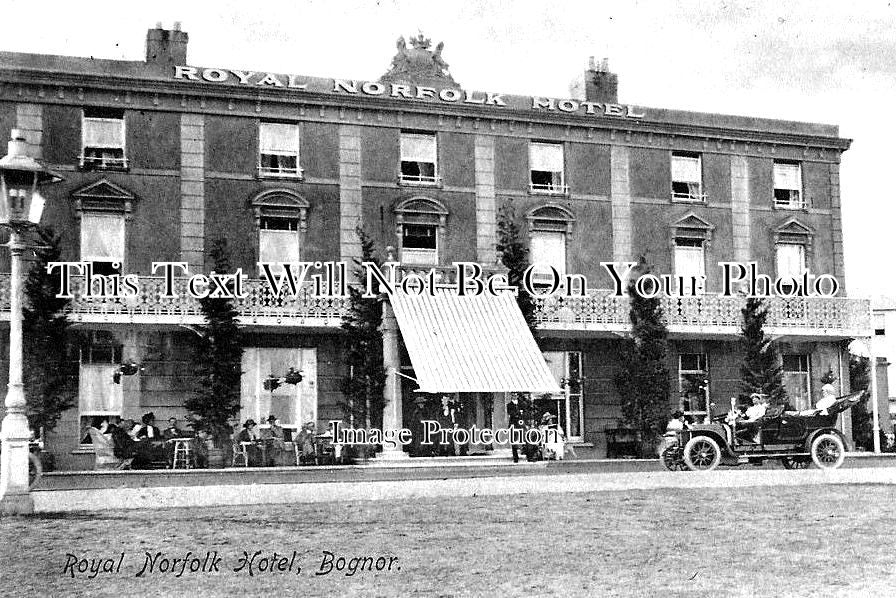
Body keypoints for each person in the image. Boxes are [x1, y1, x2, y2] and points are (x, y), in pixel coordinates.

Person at [507, 395, 523, 463]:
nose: (515, 396)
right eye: (513, 395)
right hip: (513, 424)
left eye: (516, 395)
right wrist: (518, 413)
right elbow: (511, 413)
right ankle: (515, 456)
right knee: (514, 440)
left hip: (520, 424)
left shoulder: (521, 404)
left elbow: (524, 413)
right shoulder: (509, 405)